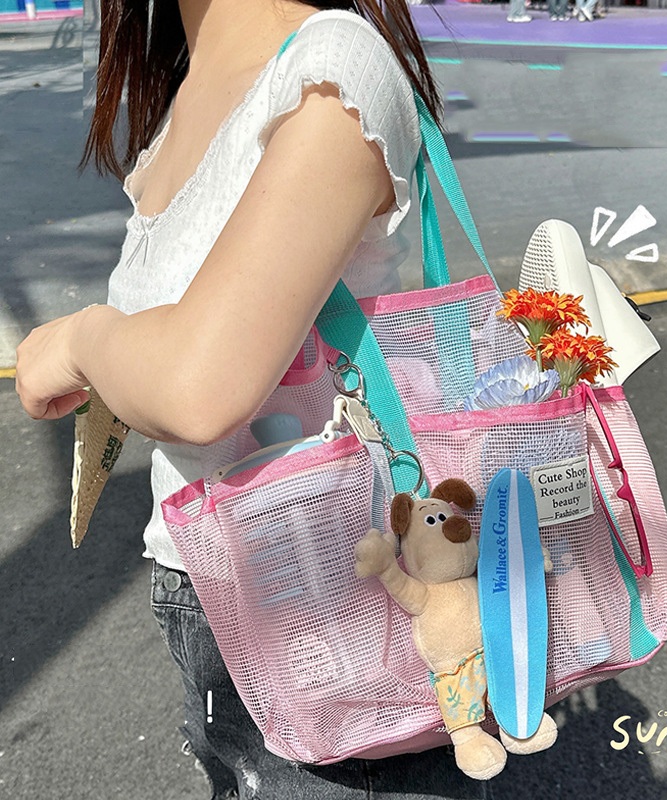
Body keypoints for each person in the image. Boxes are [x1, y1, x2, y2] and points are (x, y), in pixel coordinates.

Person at [15, 0, 494, 797]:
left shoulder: (330, 67)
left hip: (334, 600)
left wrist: (78, 341)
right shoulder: (187, 86)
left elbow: (202, 391)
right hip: (202, 589)